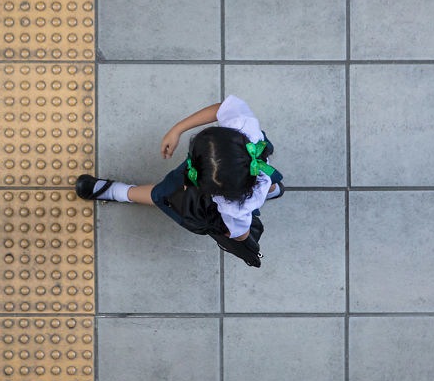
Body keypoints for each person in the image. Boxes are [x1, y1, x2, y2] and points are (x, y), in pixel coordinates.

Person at [76, 95, 283, 266]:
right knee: (265, 182)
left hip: (233, 189)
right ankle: (272, 190)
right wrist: (177, 129)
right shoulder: (247, 131)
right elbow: (223, 108)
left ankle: (116, 192)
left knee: (163, 193)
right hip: (250, 177)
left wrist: (179, 129)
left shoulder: (233, 208)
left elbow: (239, 233)